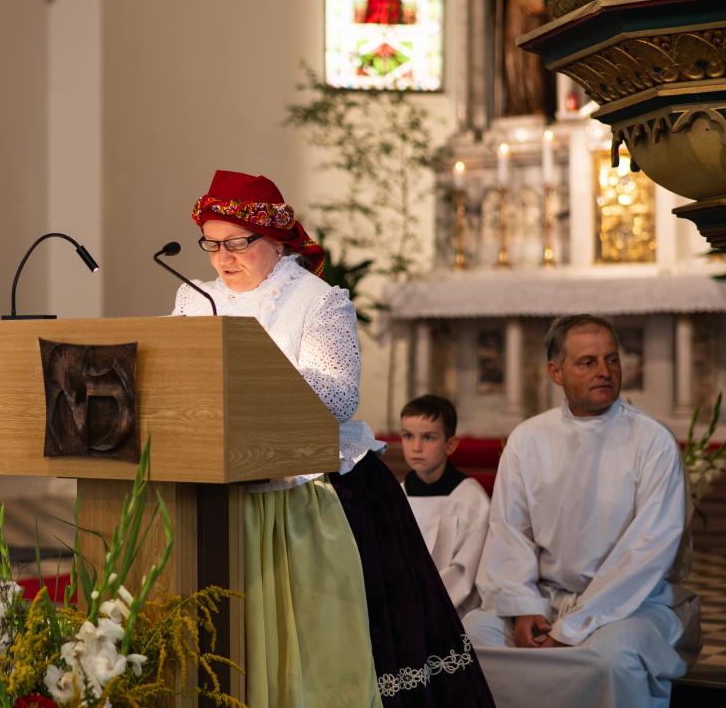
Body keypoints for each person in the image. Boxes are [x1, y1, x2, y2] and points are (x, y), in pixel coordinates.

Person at [176, 169, 494, 707]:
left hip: (313, 490)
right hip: (218, 486)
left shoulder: (316, 300)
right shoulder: (194, 299)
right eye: (211, 244)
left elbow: (337, 395)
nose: (222, 257)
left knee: (321, 647)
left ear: (276, 238)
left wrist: (247, 385)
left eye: (237, 243)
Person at [463, 314, 699, 708]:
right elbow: (509, 532)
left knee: (609, 662)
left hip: (633, 605)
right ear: (556, 372)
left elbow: (647, 552)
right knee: (470, 641)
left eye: (612, 359)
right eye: (587, 362)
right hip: (544, 599)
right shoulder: (528, 440)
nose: (604, 371)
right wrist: (522, 609)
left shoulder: (652, 442)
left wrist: (573, 627)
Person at [399, 394, 490, 617]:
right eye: (408, 436)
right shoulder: (395, 497)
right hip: (399, 609)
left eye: (428, 437)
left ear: (450, 445)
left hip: (451, 613)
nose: (416, 447)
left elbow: (464, 573)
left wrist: (420, 606)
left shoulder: (471, 500)